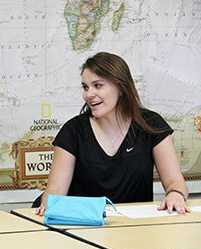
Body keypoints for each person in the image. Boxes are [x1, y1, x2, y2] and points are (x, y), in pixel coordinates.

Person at [35, 52, 189, 216]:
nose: (88, 94)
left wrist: (175, 194)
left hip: (134, 230)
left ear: (121, 87)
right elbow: (56, 191)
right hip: (83, 227)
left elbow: (175, 182)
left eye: (98, 85)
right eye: (86, 87)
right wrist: (49, 203)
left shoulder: (151, 124)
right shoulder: (73, 131)